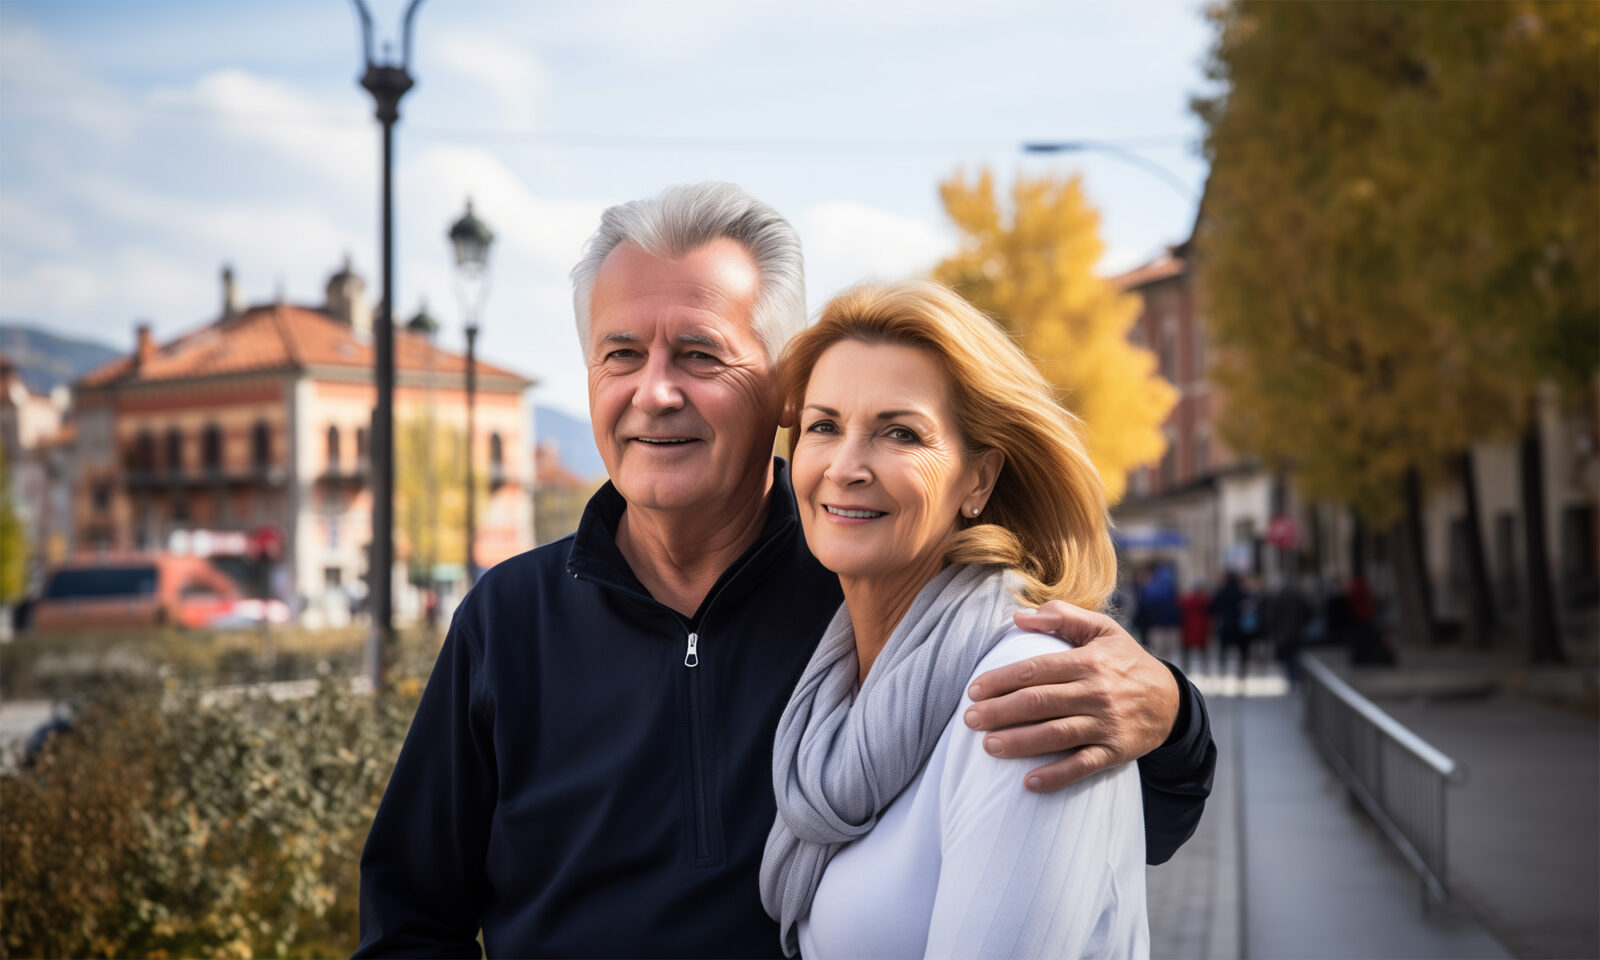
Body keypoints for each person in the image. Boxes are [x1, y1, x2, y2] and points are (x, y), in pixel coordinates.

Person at [356, 183, 1215, 957]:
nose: (654, 392)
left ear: (778, 392)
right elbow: (410, 923)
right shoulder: (507, 620)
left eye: (699, 353)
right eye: (621, 354)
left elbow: (1122, 826)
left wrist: (1171, 717)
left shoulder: (872, 587)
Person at [761, 282, 1146, 957]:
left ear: (979, 481)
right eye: (824, 426)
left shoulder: (1024, 690)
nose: (846, 466)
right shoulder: (838, 684)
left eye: (899, 433)